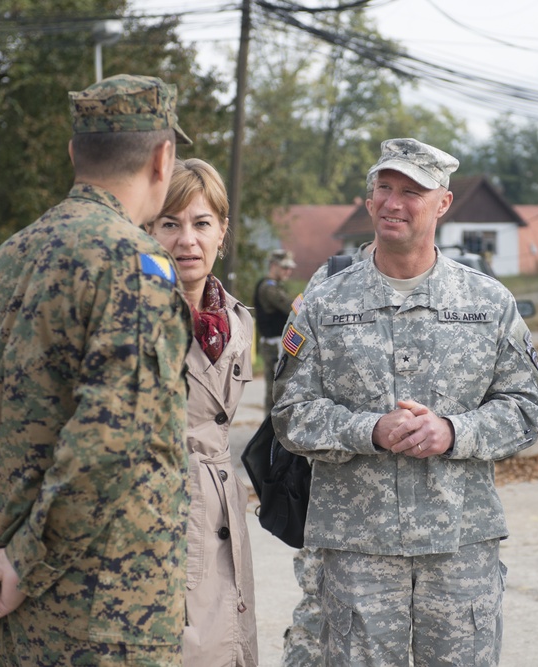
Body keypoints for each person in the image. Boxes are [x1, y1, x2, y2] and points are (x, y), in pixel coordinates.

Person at [0, 74, 194, 664]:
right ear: (164, 156)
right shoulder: (136, 263)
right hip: (109, 615)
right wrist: (21, 560)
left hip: (14, 619)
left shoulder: (3, 262)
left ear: (74, 154)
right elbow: (113, 434)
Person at [271, 137, 538, 666]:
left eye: (412, 192)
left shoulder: (488, 301)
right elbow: (289, 413)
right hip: (357, 547)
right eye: (384, 188)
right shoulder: (323, 302)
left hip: (460, 544)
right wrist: (368, 430)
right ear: (370, 197)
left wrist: (453, 431)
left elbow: (524, 407)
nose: (393, 203)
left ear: (443, 203)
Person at [147, 158, 259, 666]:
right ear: (147, 230)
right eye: (170, 224)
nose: (186, 240)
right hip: (161, 512)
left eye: (201, 223)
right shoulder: (132, 314)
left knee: (229, 641)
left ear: (222, 232)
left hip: (224, 508)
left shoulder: (239, 322)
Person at [279, 238, 375, 667]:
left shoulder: (454, 283)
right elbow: (291, 394)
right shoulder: (331, 279)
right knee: (320, 621)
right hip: (336, 506)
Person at [254, 248, 297, 414]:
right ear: (273, 266)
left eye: (290, 267)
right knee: (275, 392)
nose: (288, 271)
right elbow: (291, 307)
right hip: (273, 345)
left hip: (277, 343)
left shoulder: (275, 286)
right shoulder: (268, 287)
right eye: (284, 267)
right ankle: (269, 434)